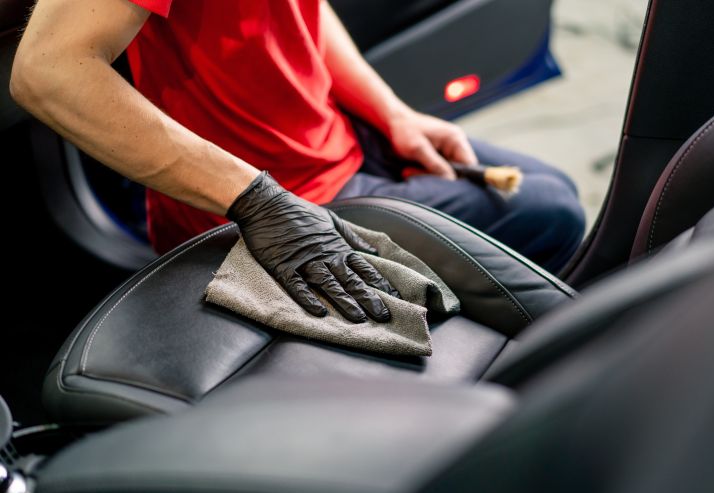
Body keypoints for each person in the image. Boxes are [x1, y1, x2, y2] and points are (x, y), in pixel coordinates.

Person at [10, 0, 584, 323]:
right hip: (269, 211)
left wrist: (393, 114)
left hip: (336, 144)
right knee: (552, 211)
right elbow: (50, 70)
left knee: (549, 189)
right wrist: (259, 203)